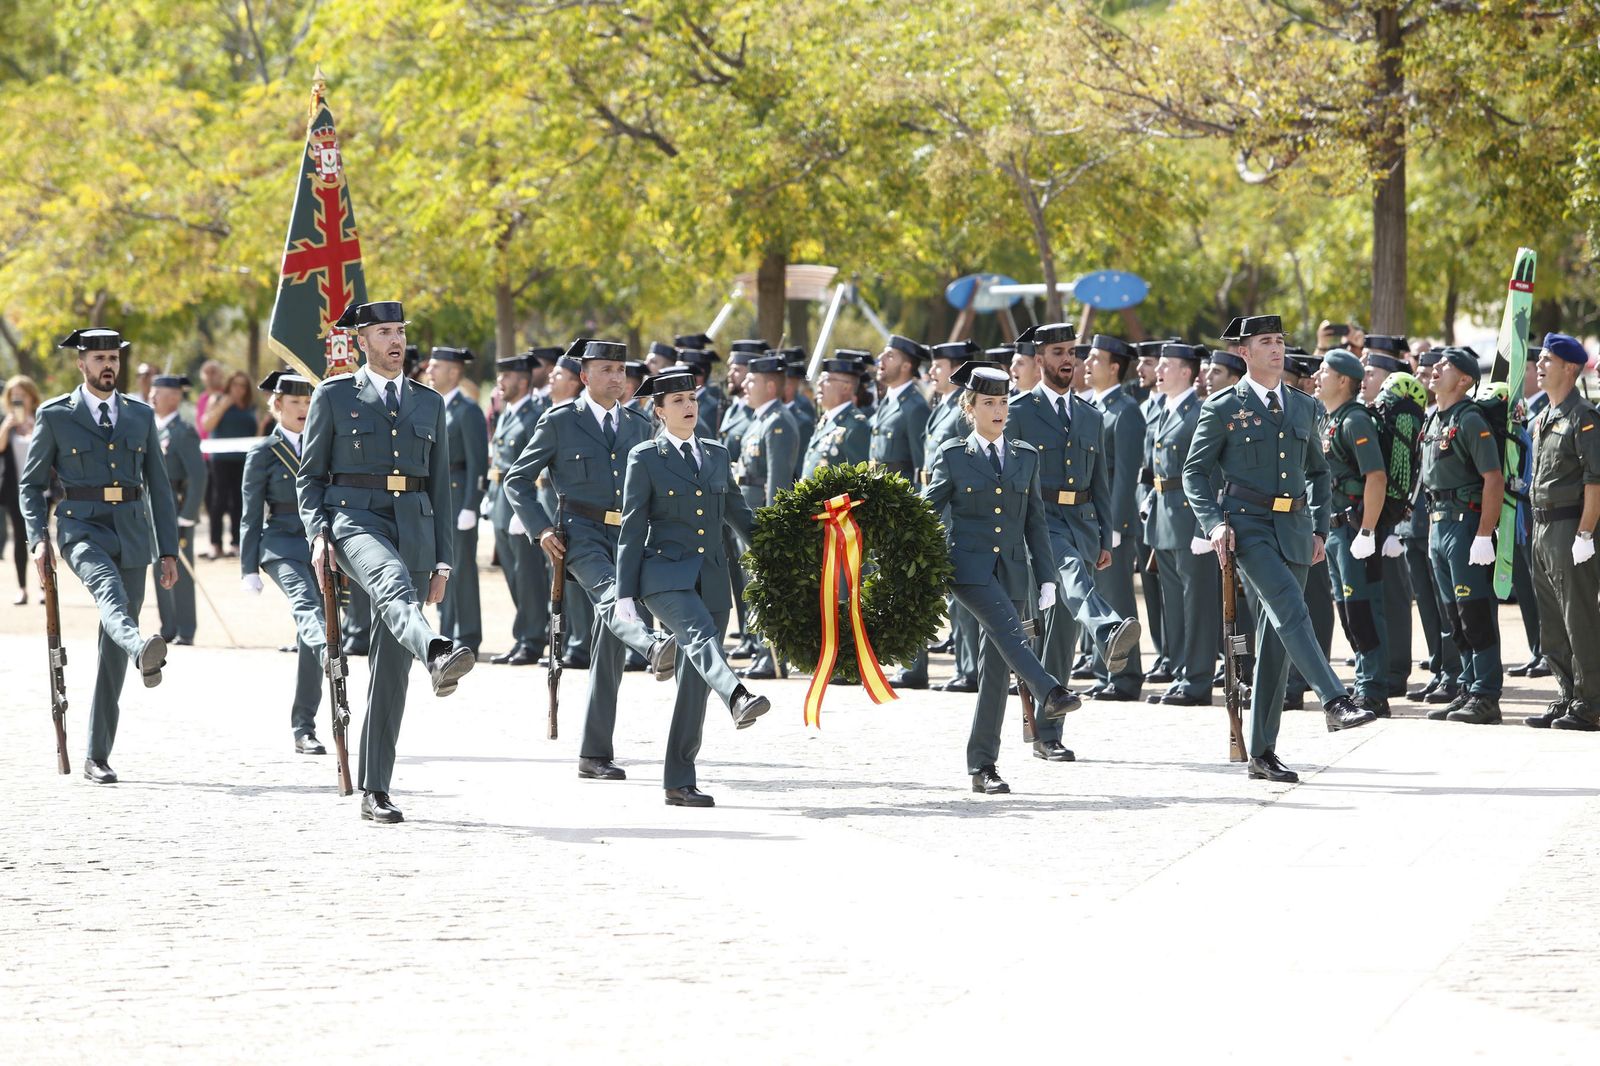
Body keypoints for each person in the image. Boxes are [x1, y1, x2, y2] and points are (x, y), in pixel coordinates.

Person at [297, 300, 475, 823]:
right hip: (354, 520)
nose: (396, 341)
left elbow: (440, 487)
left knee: (392, 668)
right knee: (391, 582)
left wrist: (443, 562)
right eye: (383, 333)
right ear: (361, 341)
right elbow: (310, 477)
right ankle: (437, 649)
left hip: (416, 527)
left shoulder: (429, 402)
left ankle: (376, 789)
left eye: (399, 331)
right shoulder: (333, 395)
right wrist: (317, 534)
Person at [1182, 315, 1374, 784]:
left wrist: (1319, 529)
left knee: (1276, 639)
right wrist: (1213, 524)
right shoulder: (1223, 407)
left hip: (1295, 528)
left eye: (1280, 341)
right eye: (1265, 341)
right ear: (1244, 352)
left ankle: (1263, 752)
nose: (1276, 349)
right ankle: (1335, 699)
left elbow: (1320, 473)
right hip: (1247, 528)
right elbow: (1194, 473)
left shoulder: (1304, 406)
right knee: (1290, 606)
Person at [503, 339, 680, 781]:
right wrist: (541, 528)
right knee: (611, 593)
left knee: (609, 646)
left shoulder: (638, 424)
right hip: (579, 533)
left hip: (628, 535)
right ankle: (652, 646)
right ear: (584, 377)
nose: (617, 377)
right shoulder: (561, 420)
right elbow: (517, 480)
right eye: (606, 370)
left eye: (621, 370)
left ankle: (594, 754)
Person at [20, 328, 179, 784]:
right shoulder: (56, 415)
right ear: (81, 364)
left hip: (132, 532)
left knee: (112, 650)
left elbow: (159, 488)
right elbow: (31, 485)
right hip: (81, 528)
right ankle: (142, 647)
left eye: (113, 358)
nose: (108, 366)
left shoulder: (140, 415)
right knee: (111, 597)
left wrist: (168, 551)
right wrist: (38, 539)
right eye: (99, 359)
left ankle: (97, 755)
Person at [614, 366, 773, 808]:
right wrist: (625, 594)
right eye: (678, 401)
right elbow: (632, 526)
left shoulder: (717, 454)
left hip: (713, 577)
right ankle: (738, 695)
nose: (689, 407)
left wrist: (783, 550)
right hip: (664, 578)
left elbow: (740, 516)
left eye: (693, 399)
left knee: (694, 681)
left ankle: (679, 781)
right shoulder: (645, 457)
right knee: (702, 636)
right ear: (660, 411)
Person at [923, 361, 1083, 792]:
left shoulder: (1025, 456)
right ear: (969, 409)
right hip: (968, 570)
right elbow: (928, 511)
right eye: (988, 403)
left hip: (1012, 570)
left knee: (996, 667)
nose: (998, 411)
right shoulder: (953, 455)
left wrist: (1046, 578)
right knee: (1011, 632)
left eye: (1003, 403)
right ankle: (1050, 691)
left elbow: (1036, 522)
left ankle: (983, 767)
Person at [1003, 323, 1141, 762]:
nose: (1068, 359)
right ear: (1039, 359)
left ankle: (1048, 735)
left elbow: (1100, 481)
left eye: (1072, 352)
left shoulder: (1089, 415)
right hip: (1039, 521)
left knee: (1061, 634)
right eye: (1058, 351)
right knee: (1068, 573)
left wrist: (1105, 536)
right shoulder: (1018, 411)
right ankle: (1107, 628)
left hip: (1081, 523)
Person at [240, 370, 328, 753]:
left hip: (319, 544)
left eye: (308, 402)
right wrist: (247, 568)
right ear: (277, 405)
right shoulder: (263, 452)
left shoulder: (322, 443)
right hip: (280, 544)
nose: (303, 409)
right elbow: (250, 513)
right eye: (295, 402)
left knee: (313, 626)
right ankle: (328, 651)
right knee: (307, 606)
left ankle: (304, 727)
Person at [1419, 347, 1506, 725]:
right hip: (1439, 524)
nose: (1436, 368)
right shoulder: (1434, 420)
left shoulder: (1469, 419)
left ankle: (1486, 693)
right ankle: (1468, 687)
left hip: (1465, 524)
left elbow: (1493, 479)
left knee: (1474, 611)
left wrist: (1484, 534)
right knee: (1454, 614)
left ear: (1465, 380)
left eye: (1446, 365)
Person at [1522, 332, 1600, 730]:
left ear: (1570, 368)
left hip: (1570, 527)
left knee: (1578, 618)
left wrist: (1585, 535)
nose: (1539, 365)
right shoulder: (1543, 418)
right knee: (1551, 620)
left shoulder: (1583, 416)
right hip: (1541, 526)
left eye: (1547, 359)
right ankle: (1568, 694)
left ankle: (1591, 703)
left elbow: (1595, 481)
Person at [1316, 349, 1393, 717]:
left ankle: (1373, 688)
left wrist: (1367, 530)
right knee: (1349, 612)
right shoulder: (1331, 420)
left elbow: (1375, 477)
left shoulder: (1355, 420)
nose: (1317, 376)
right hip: (1334, 531)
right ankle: (1364, 681)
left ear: (1343, 380)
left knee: (1363, 610)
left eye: (1324, 371)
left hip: (1353, 530)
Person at [1141, 344, 1218, 705]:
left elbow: (1211, 472)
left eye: (1166, 365)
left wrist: (1206, 526)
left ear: (1187, 372)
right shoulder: (1164, 409)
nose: (1158, 371)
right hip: (1164, 517)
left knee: (1196, 603)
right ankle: (1181, 673)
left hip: (1190, 519)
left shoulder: (1200, 412)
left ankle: (1198, 680)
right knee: (1173, 603)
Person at [1083, 334, 1147, 699]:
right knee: (1096, 599)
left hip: (1110, 523)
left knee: (1118, 601)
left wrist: (1117, 526)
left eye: (1095, 359)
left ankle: (1125, 678)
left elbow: (1125, 475)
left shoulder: (1125, 411)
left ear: (1114, 367)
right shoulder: (1092, 407)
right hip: (1089, 519)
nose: (1087, 364)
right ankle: (1103, 672)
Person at [870, 335, 934, 688]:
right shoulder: (889, 401)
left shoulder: (914, 406)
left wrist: (916, 514)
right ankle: (900, 659)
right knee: (889, 585)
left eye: (890, 355)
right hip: (883, 506)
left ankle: (913, 666)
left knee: (907, 588)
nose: (881, 359)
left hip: (902, 508)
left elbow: (921, 466)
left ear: (907, 365)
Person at [734, 354, 800, 681]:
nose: (745, 384)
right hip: (748, 514)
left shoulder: (778, 421)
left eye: (752, 380)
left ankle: (773, 656)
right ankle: (763, 651)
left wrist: (772, 522)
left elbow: (778, 479)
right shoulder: (759, 419)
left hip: (761, 514)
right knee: (755, 586)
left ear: (770, 386)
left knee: (767, 587)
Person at [921, 341, 982, 693]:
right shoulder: (942, 406)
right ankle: (964, 666)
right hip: (938, 506)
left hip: (954, 511)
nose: (931, 372)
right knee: (953, 596)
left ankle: (971, 669)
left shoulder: (962, 411)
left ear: (956, 370)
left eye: (938, 365)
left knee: (963, 595)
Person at [486, 351, 551, 665]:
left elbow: (539, 467)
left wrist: (527, 512)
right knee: (513, 576)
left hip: (520, 507)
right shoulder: (508, 413)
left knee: (529, 578)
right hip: (500, 500)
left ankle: (533, 639)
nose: (501, 381)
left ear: (524, 382)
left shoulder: (534, 415)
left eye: (507, 376)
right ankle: (523, 636)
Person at [426, 346, 489, 656]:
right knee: (441, 569)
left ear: (453, 372)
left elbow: (478, 462)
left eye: (435, 366)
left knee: (461, 570)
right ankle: (448, 631)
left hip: (457, 496)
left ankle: (467, 635)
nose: (429, 371)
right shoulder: (435, 406)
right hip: (437, 500)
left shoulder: (467, 410)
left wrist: (471, 505)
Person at [149, 375, 206, 644]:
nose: (151, 396)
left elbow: (198, 476)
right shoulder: (151, 429)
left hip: (175, 508)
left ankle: (186, 629)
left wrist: (188, 515)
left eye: (157, 392)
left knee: (180, 569)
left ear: (174, 397)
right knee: (157, 567)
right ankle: (168, 627)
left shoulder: (183, 432)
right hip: (153, 507)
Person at [201, 370, 259, 558]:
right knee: (218, 501)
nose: (239, 389)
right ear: (229, 385)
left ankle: (236, 542)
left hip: (243, 459)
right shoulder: (217, 399)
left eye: (243, 385)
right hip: (220, 458)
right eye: (235, 384)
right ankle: (215, 543)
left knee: (239, 501)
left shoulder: (250, 407)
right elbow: (206, 425)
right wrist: (223, 406)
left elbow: (255, 433)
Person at [0, 375, 42, 604]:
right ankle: (22, 588)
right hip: (14, 490)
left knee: (41, 538)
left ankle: (44, 587)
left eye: (22, 395)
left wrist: (33, 427)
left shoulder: (41, 419)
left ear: (31, 397)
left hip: (41, 490)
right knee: (19, 537)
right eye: (13, 395)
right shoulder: (6, 422)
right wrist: (7, 427)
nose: (18, 399)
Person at [800, 353, 872, 477]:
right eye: (820, 378)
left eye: (827, 379)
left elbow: (860, 481)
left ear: (846, 388)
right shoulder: (826, 419)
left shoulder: (856, 426)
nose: (819, 383)